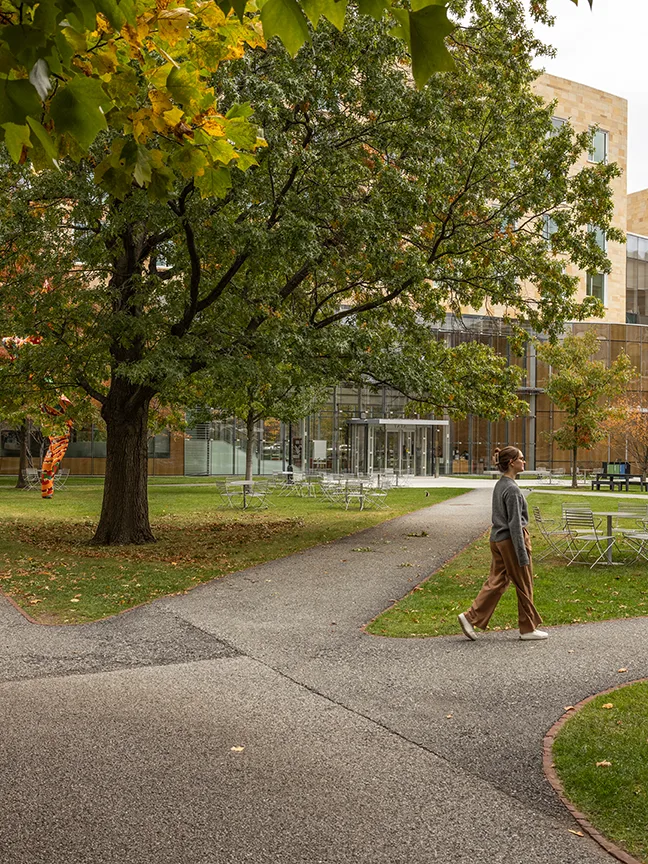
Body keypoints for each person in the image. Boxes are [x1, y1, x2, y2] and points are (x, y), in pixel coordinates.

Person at [458, 446, 548, 641]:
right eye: (521, 459)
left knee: (497, 581)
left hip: (497, 539)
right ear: (511, 463)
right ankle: (528, 629)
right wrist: (521, 553)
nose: (524, 462)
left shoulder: (501, 484)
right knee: (524, 584)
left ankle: (469, 617)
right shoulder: (512, 489)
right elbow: (515, 524)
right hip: (511, 541)